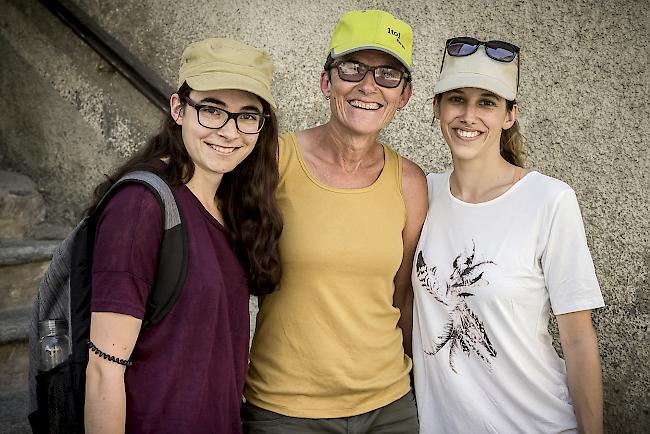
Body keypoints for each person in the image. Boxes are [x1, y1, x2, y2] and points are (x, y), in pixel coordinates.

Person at [83, 38, 282, 433]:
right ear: (178, 109)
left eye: (247, 116)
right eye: (211, 110)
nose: (229, 131)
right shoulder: (141, 207)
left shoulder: (234, 206)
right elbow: (102, 372)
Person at [242, 9, 427, 433]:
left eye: (387, 75)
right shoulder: (273, 160)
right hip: (284, 409)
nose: (368, 85)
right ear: (327, 81)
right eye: (352, 68)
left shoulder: (410, 183)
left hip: (389, 407)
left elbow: (403, 297)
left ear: (405, 95)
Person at [412, 36, 605, 433]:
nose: (469, 115)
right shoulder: (420, 193)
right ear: (436, 108)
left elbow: (578, 339)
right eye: (456, 99)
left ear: (509, 115)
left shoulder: (548, 200)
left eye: (487, 101)